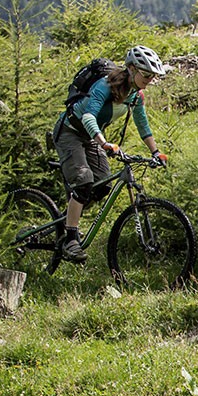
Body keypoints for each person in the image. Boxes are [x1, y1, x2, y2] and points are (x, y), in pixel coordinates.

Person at [53, 45, 168, 263]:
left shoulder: (136, 95)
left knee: (103, 184)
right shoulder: (104, 86)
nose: (150, 79)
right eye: (146, 74)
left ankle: (68, 217)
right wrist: (104, 143)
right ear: (132, 69)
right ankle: (71, 239)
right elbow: (88, 116)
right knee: (84, 180)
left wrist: (156, 152)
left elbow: (142, 124)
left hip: (92, 137)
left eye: (153, 76)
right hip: (70, 132)